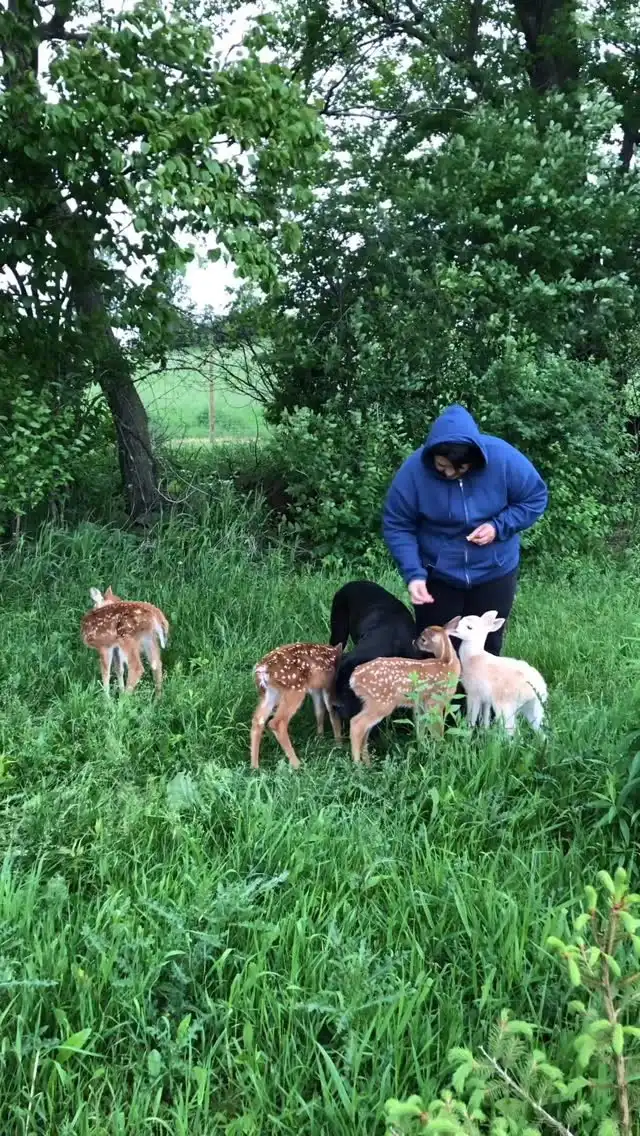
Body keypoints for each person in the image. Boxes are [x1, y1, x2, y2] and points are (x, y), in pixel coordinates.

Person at [382, 405, 548, 655]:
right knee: (434, 650)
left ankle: (477, 682)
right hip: (439, 575)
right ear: (432, 455)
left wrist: (497, 527)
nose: (449, 473)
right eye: (441, 466)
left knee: (485, 649)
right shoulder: (413, 473)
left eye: (459, 468)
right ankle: (441, 683)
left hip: (494, 571)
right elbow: (397, 524)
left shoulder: (503, 459)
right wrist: (414, 574)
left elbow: (534, 497)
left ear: (474, 460)